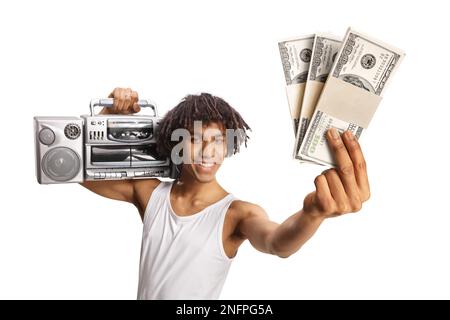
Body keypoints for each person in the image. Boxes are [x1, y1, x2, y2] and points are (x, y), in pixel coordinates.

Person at [81, 87, 371, 299]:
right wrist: (107, 118)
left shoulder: (237, 214)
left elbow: (277, 242)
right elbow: (78, 173)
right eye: (194, 139)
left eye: (217, 140)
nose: (208, 151)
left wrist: (313, 215)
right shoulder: (149, 192)